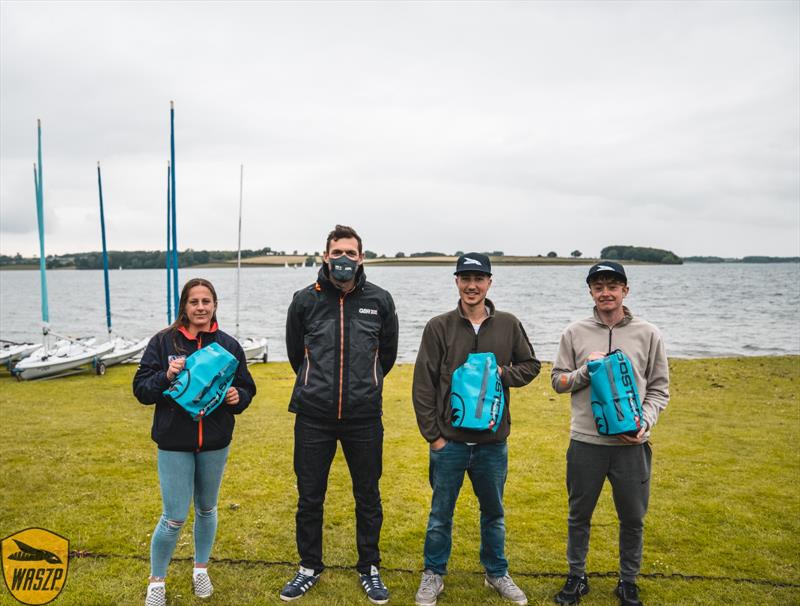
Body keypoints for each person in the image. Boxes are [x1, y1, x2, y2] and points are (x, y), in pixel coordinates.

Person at [412, 252, 540, 606]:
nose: (472, 285)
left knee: (494, 513)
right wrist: (434, 437)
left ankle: (496, 573)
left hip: (491, 444)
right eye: (465, 278)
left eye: (479, 278)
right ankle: (433, 574)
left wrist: (503, 373)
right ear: (456, 281)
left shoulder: (509, 324)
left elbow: (531, 365)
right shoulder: (439, 326)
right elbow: (423, 384)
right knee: (440, 514)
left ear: (489, 282)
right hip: (449, 443)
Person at [281, 225, 399, 604]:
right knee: (310, 496)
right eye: (337, 252)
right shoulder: (305, 300)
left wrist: (365, 385)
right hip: (313, 415)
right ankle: (309, 566)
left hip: (364, 417)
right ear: (325, 256)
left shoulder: (379, 300)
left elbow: (388, 355)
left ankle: (369, 567)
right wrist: (320, 385)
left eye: (350, 252)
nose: (343, 259)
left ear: (361, 258)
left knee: (368, 494)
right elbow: (296, 355)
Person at [550, 261, 669, 606]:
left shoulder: (648, 333)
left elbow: (659, 389)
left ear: (625, 290)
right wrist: (586, 370)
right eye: (598, 286)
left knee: (632, 517)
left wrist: (644, 423)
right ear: (590, 291)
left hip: (632, 446)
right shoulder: (574, 331)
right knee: (578, 515)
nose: (606, 292)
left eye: (612, 285)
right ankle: (576, 577)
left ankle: (628, 581)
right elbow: (557, 381)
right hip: (586, 442)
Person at [133, 278, 256, 606]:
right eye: (194, 302)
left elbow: (247, 389)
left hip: (215, 441)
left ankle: (200, 569)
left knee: (206, 508)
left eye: (206, 301)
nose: (200, 307)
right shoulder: (162, 342)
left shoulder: (229, 346)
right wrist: (168, 375)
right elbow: (142, 390)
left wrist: (236, 397)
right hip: (174, 442)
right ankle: (156, 581)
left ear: (215, 305)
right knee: (173, 516)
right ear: (183, 307)